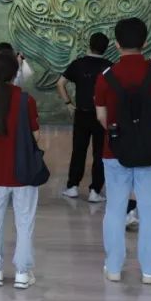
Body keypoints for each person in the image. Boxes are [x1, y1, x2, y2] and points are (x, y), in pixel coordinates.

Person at [93, 18, 151, 284]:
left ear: (116, 44)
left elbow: (102, 118)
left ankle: (114, 267)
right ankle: (149, 270)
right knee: (149, 210)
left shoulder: (106, 77)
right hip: (150, 150)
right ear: (145, 42)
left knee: (115, 208)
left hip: (115, 151)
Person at [0, 51, 40, 289]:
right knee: (24, 223)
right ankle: (22, 273)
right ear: (15, 73)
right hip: (23, 173)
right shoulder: (26, 101)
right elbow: (36, 136)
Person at [57, 32, 112, 203]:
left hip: (81, 113)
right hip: (102, 115)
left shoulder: (78, 64)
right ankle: (95, 191)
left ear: (89, 45)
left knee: (78, 151)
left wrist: (68, 103)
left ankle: (72, 187)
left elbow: (60, 83)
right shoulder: (109, 66)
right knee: (99, 153)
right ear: (106, 48)